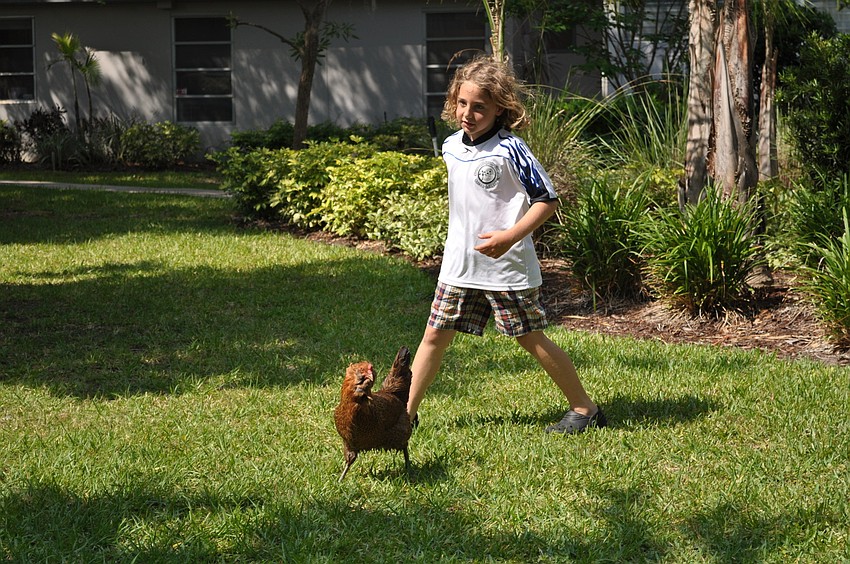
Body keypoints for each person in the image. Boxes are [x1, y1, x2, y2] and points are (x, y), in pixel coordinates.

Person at [406, 55, 605, 435]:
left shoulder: (511, 148)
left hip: (505, 268)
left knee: (529, 337)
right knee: (433, 335)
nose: (468, 113)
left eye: (479, 107)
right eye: (462, 103)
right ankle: (405, 415)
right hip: (460, 267)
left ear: (500, 108)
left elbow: (547, 199)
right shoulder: (450, 147)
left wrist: (509, 237)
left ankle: (585, 408)